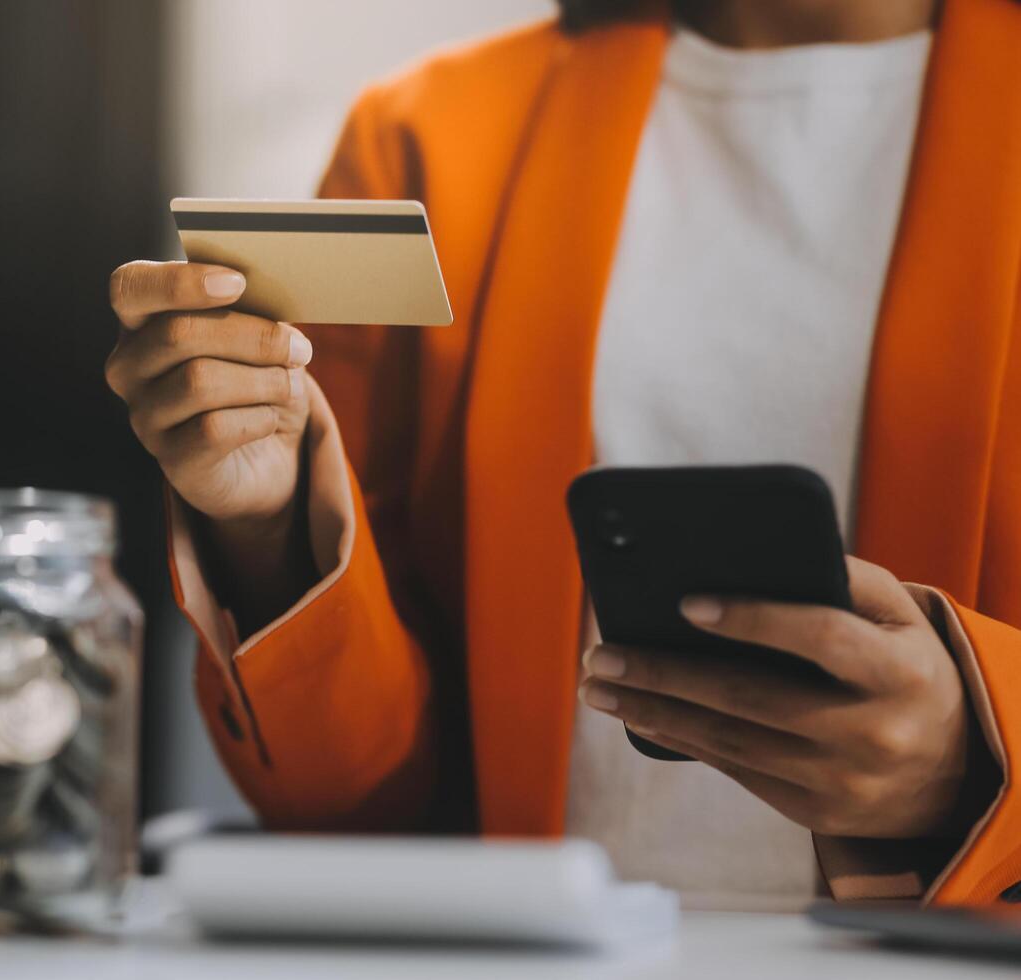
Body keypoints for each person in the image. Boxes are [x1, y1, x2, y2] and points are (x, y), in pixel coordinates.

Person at [105, 0, 1021, 907]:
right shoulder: (428, 137)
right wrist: (270, 527)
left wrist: (982, 755)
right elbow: (357, 797)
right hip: (536, 957)